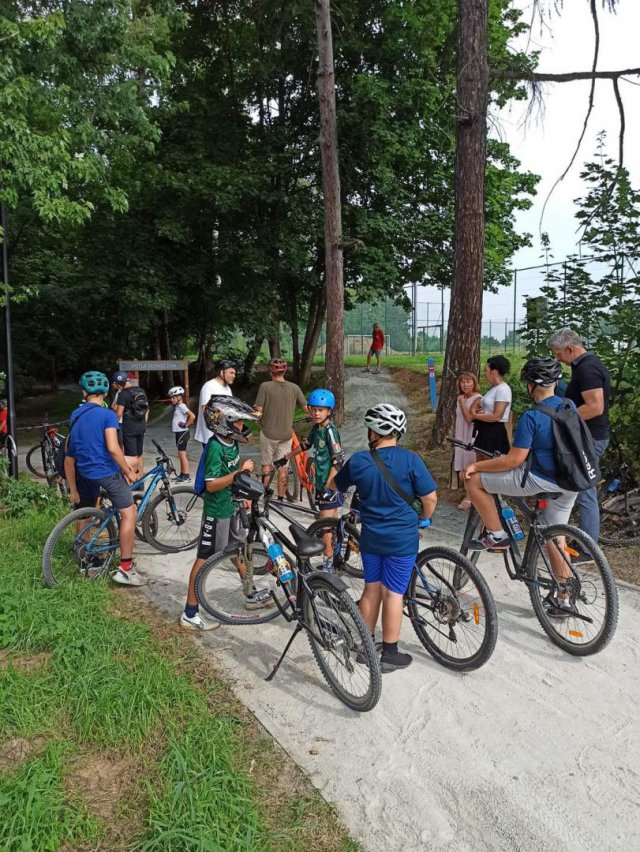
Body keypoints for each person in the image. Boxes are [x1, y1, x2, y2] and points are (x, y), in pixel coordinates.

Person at [461, 357, 579, 616]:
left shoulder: (532, 416)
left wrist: (478, 466)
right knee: (554, 535)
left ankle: (496, 534)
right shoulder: (570, 406)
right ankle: (564, 596)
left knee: (472, 480)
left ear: (530, 385)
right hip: (572, 482)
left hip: (541, 479)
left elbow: (514, 460)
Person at [329, 403, 437, 672]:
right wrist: (425, 516)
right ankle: (390, 654)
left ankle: (366, 647)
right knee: (394, 593)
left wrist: (335, 465)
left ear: (373, 433)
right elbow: (430, 497)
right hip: (402, 539)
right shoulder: (411, 460)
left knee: (372, 589)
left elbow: (333, 486)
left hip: (372, 538)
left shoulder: (359, 461)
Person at [181, 395, 272, 630]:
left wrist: (242, 496)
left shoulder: (232, 443)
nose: (242, 427)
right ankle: (190, 612)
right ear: (223, 422)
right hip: (216, 512)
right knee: (204, 559)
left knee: (236, 551)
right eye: (238, 422)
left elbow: (233, 476)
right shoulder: (214, 447)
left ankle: (250, 593)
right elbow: (211, 484)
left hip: (231, 506)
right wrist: (239, 474)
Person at [64, 371, 145, 586]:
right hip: (105, 472)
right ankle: (126, 568)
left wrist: (73, 489)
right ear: (107, 392)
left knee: (83, 515)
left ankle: (84, 557)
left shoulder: (76, 415)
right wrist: (128, 472)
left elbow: (69, 457)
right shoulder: (108, 415)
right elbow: (112, 447)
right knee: (130, 513)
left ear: (84, 392)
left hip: (84, 472)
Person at [548, 328, 611, 552]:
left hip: (589, 438)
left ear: (570, 349)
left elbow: (595, 407)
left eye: (558, 354)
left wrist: (563, 420)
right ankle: (583, 540)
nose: (558, 359)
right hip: (588, 436)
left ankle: (587, 548)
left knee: (585, 491)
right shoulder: (584, 366)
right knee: (582, 489)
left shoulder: (587, 369)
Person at [287, 388, 345, 571]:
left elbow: (338, 460)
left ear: (329, 411)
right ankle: (337, 558)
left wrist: (329, 484)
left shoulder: (330, 431)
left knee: (325, 527)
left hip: (330, 485)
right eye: (314, 409)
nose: (317, 413)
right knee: (331, 525)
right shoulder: (317, 429)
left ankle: (328, 563)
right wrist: (288, 456)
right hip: (321, 484)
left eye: (322, 410)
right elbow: (306, 444)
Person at [254, 359, 308, 500]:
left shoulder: (265, 386)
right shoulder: (294, 388)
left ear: (270, 371)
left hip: (268, 434)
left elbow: (258, 411)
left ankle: (266, 497)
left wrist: (258, 418)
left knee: (267, 465)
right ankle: (280, 500)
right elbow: (306, 408)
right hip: (286, 436)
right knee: (283, 467)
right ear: (284, 371)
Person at [470, 355, 512, 459]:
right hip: (485, 429)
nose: (484, 374)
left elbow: (496, 416)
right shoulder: (493, 388)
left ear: (494, 371)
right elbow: (478, 403)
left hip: (494, 432)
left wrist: (476, 416)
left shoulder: (503, 389)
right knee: (479, 462)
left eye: (486, 370)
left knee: (488, 465)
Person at [112, 372, 149, 482]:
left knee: (131, 457)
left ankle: (132, 481)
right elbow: (146, 409)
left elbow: (119, 413)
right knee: (139, 455)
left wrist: (112, 427)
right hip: (141, 427)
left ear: (119, 384)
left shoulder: (123, 394)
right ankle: (140, 479)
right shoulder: (140, 391)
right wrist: (144, 424)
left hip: (129, 429)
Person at [453, 372, 481, 509]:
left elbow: (469, 418)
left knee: (470, 464)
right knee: (461, 463)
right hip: (460, 435)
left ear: (474, 383)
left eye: (468, 381)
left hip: (471, 435)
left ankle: (470, 497)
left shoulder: (478, 398)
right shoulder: (460, 398)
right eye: (463, 382)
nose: (465, 384)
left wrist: (463, 403)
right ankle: (468, 492)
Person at [194, 359, 236, 446]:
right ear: (221, 373)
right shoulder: (209, 387)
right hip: (211, 436)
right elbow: (206, 411)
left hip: (224, 434)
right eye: (231, 373)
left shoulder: (228, 389)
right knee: (210, 459)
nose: (234, 376)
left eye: (234, 373)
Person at [168, 385, 195, 482]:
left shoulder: (182, 406)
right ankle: (183, 474)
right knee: (180, 454)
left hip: (182, 432)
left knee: (182, 454)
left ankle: (186, 475)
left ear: (179, 397)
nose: (172, 399)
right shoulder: (178, 407)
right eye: (171, 397)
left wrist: (186, 424)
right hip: (179, 433)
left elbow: (192, 416)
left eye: (173, 397)